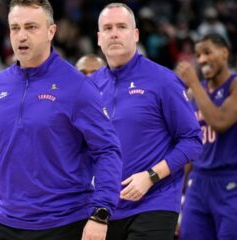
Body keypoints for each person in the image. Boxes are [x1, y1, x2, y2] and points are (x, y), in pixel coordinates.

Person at [0, 1, 122, 240]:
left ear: (51, 31)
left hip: (65, 223)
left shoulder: (77, 86)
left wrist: (101, 212)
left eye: (31, 27)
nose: (21, 36)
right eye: (15, 28)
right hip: (6, 223)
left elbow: (107, 151)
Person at [90, 3, 202, 240]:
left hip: (154, 202)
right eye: (108, 28)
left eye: (122, 26)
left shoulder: (163, 80)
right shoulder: (89, 87)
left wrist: (151, 176)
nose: (114, 33)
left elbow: (192, 141)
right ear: (99, 38)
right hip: (105, 209)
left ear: (136, 34)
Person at [176, 33, 237, 240]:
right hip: (198, 181)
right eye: (198, 54)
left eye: (207, 52)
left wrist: (193, 82)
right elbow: (191, 144)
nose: (201, 60)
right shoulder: (195, 94)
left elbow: (220, 122)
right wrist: (179, 194)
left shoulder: (234, 86)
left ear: (224, 53)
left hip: (230, 181)